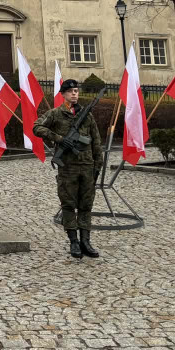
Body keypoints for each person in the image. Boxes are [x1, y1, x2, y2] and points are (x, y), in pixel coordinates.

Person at [32, 78, 103, 259]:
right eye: (71, 91)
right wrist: (59, 138)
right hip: (68, 168)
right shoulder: (55, 114)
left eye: (77, 91)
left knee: (86, 205)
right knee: (69, 204)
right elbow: (36, 127)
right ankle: (73, 241)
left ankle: (86, 241)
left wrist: (98, 165)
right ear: (63, 94)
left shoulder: (87, 115)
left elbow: (96, 141)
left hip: (87, 166)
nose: (74, 94)